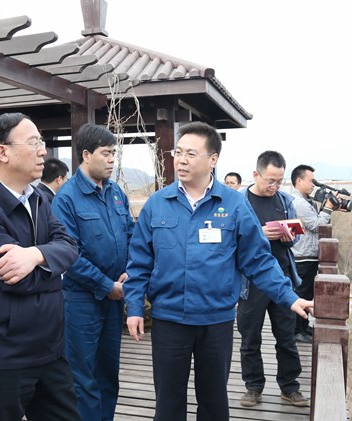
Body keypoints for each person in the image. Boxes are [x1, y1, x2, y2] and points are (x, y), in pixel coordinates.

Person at [123, 122, 314, 421]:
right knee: (168, 401)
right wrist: (134, 307)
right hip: (169, 319)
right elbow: (139, 262)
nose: (181, 160)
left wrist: (289, 297)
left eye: (191, 154)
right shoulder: (157, 204)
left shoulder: (234, 204)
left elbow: (258, 260)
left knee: (213, 401)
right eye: (178, 152)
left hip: (216, 320)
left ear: (213, 159)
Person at [0, 112, 80, 420]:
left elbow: (70, 246)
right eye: (34, 142)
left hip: (49, 348)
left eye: (42, 142)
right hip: (2, 354)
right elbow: (18, 280)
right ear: (3, 152)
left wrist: (35, 255)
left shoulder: (37, 198)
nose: (43, 151)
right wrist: (57, 268)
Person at [52, 124, 134, 420]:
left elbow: (132, 235)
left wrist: (130, 272)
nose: (112, 159)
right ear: (86, 155)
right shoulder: (66, 198)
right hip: (81, 300)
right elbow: (69, 255)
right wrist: (105, 285)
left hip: (115, 297)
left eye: (114, 153)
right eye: (106, 153)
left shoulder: (116, 193)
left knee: (108, 373)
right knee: (82, 377)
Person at [237, 150, 309, 408]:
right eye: (270, 180)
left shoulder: (285, 200)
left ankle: (290, 387)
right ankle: (253, 387)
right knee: (250, 338)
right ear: (256, 175)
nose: (274, 186)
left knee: (286, 337)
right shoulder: (240, 201)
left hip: (282, 278)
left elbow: (294, 239)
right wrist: (260, 234)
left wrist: (290, 236)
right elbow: (233, 239)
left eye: (279, 181)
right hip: (251, 283)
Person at [290, 164, 341, 342]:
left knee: (307, 295)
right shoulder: (298, 202)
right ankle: (296, 331)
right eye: (311, 181)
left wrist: (328, 207)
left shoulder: (306, 201)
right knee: (301, 294)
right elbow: (316, 225)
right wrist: (328, 208)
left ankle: (303, 327)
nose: (314, 185)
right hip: (302, 257)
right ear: (299, 181)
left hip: (308, 255)